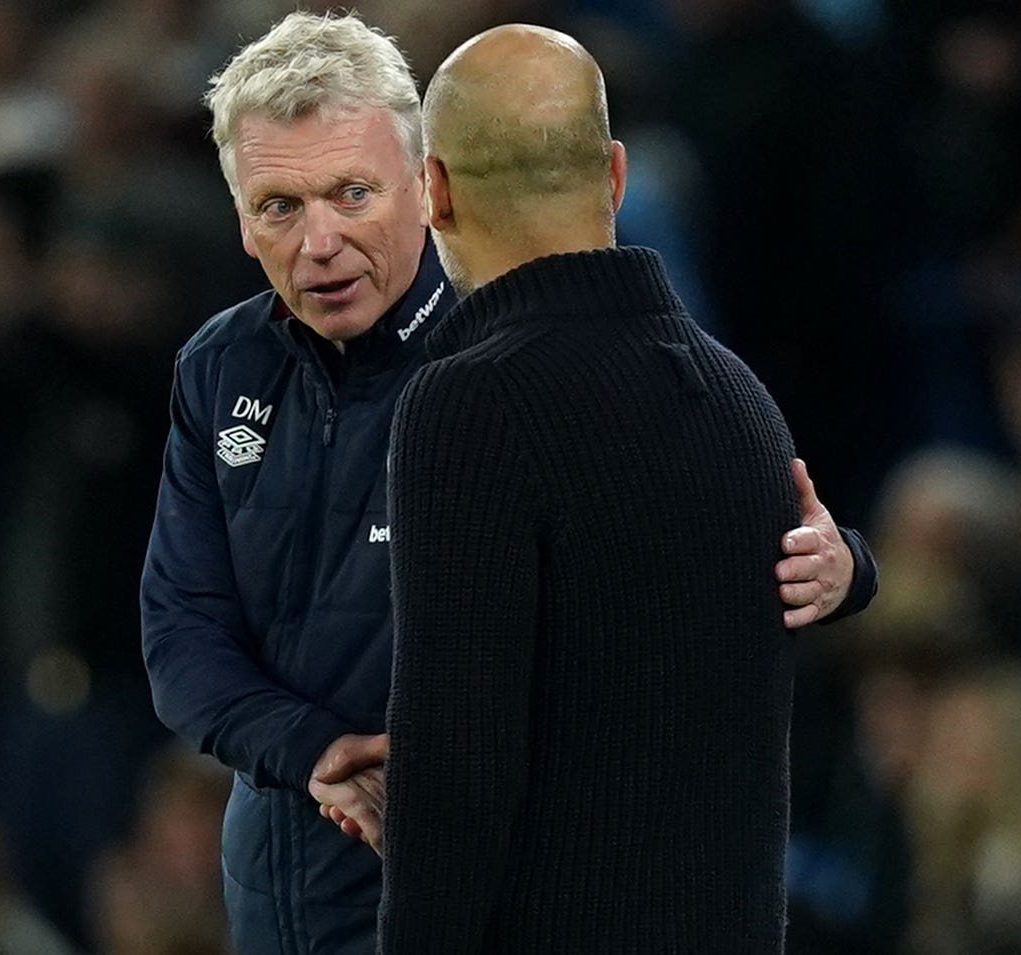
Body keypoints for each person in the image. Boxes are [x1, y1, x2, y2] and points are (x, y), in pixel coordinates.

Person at [139, 12, 877, 955]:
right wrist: (314, 751)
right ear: (240, 220)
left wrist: (844, 565)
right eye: (279, 205)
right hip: (281, 885)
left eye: (351, 193)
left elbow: (714, 526)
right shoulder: (220, 366)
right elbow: (179, 633)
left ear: (425, 185)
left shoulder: (514, 370)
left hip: (488, 897)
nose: (318, 239)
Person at [362, 24, 814, 953]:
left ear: (433, 193)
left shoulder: (469, 402)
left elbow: (458, 763)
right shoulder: (740, 399)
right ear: (613, 173)